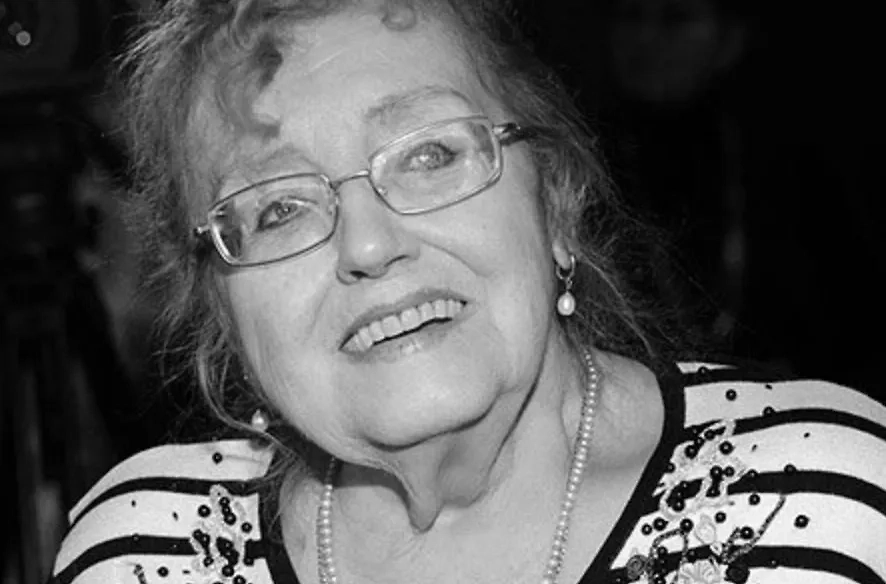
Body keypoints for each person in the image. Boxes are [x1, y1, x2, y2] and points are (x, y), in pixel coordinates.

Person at [50, 1, 886, 583]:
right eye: (278, 209)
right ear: (221, 311)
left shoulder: (821, 506)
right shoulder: (144, 554)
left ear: (554, 201)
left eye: (430, 155)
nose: (368, 245)